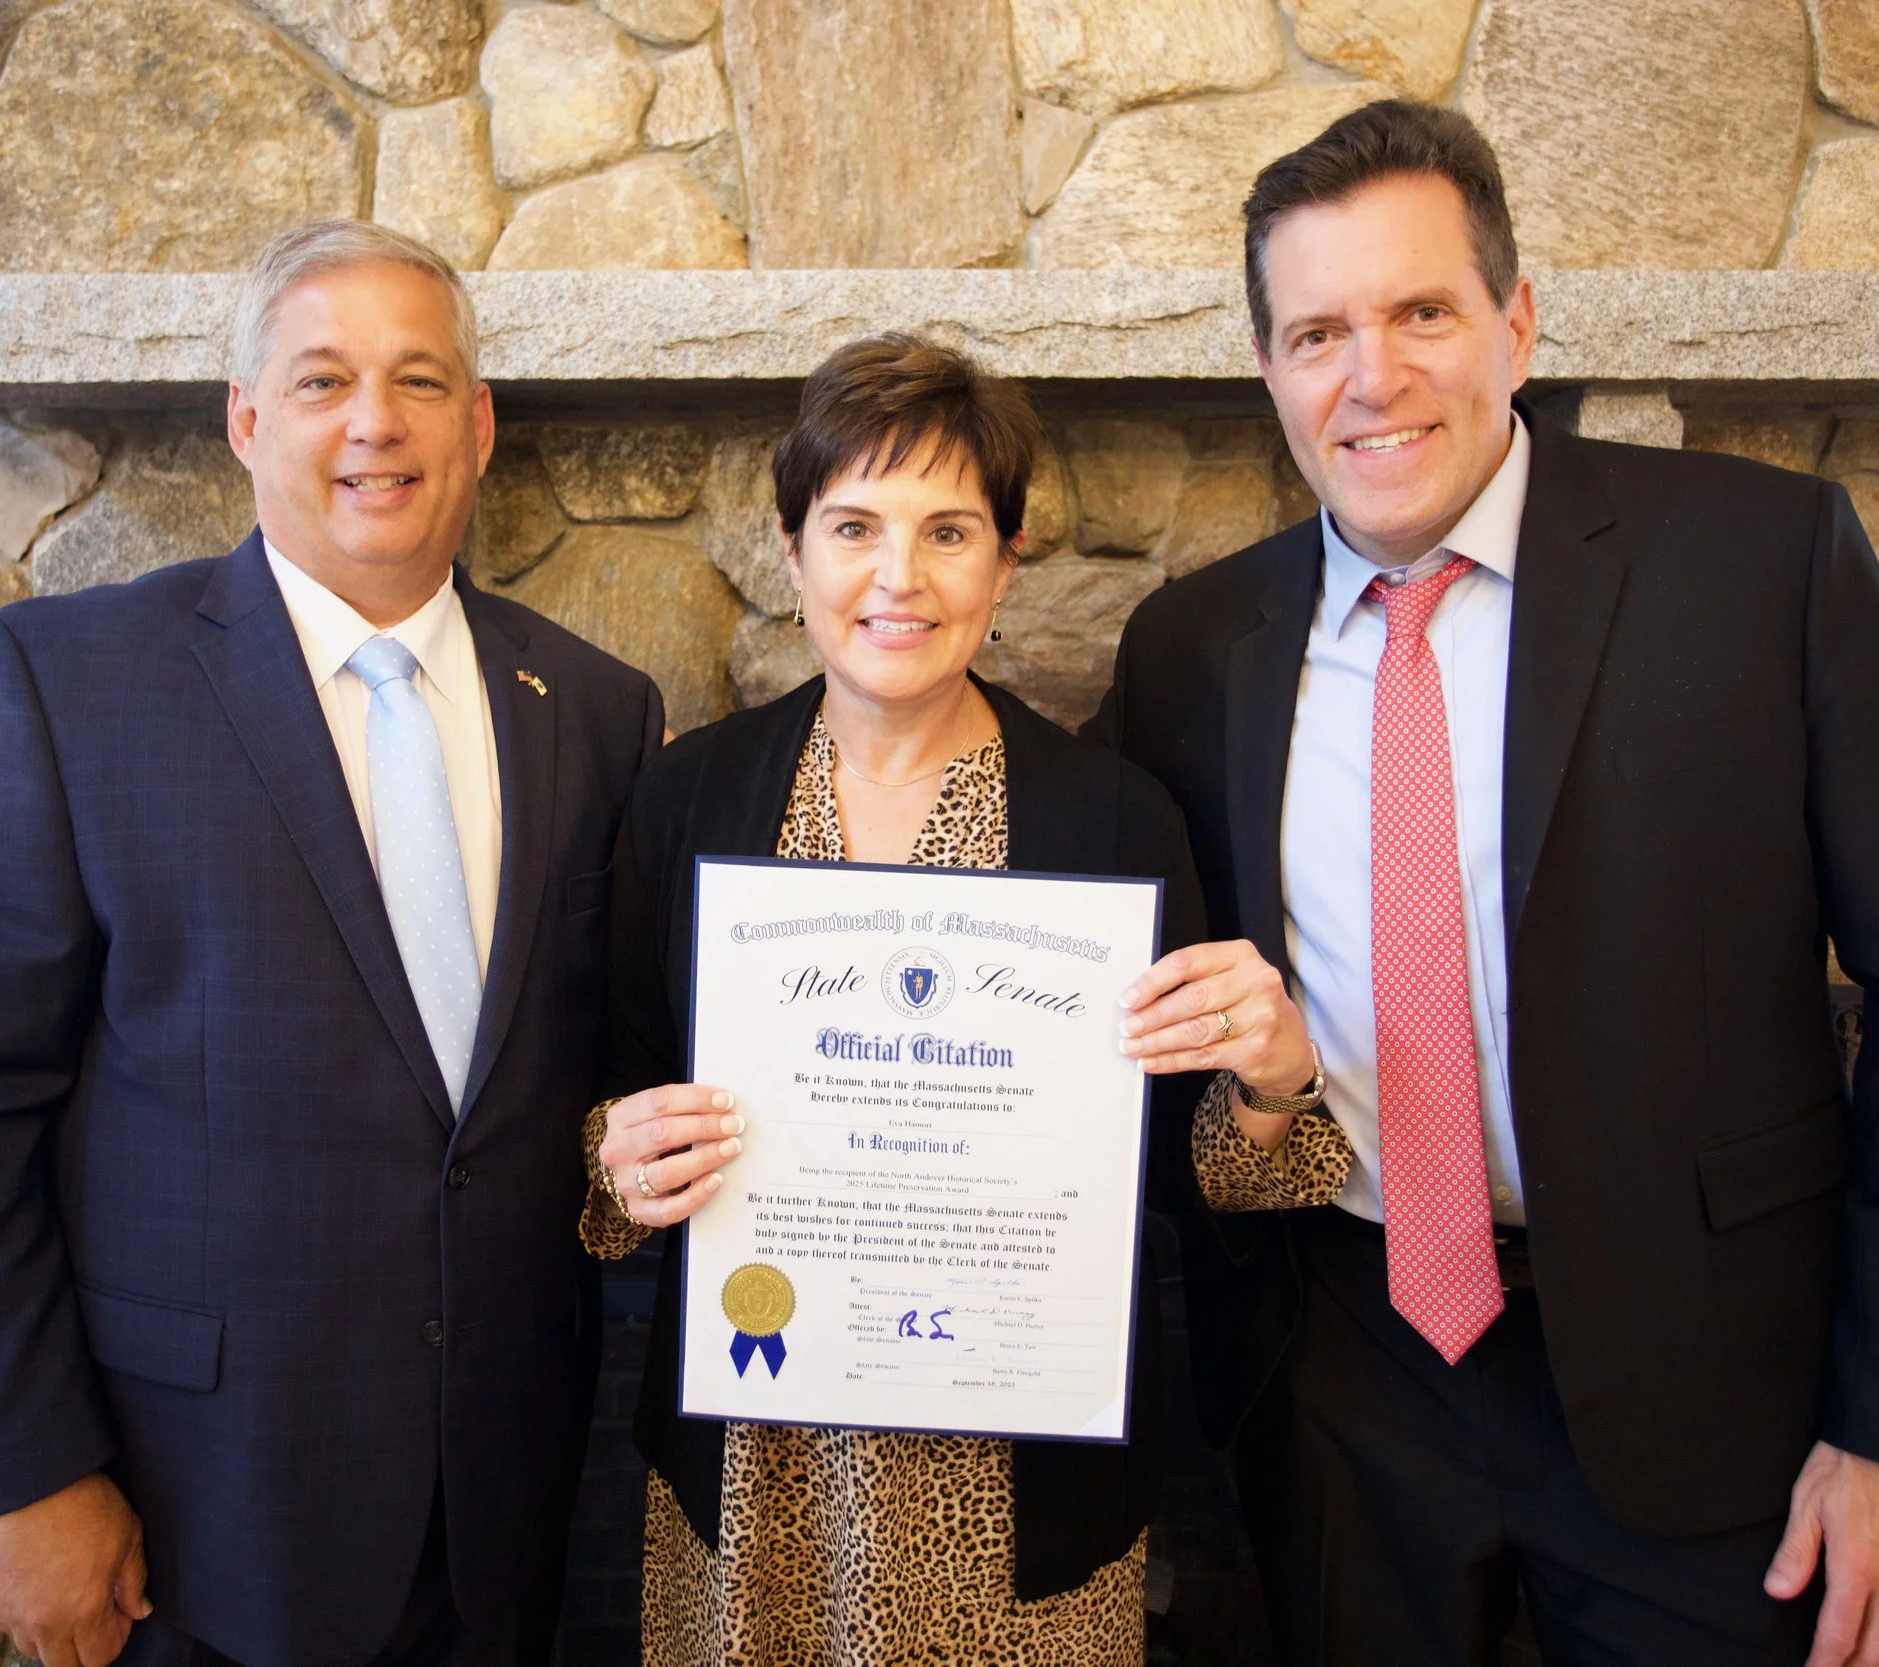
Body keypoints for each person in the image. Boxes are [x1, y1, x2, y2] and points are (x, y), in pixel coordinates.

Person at [1097, 101, 1879, 1667]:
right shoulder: (1190, 649)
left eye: (1420, 312)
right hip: (1348, 1387)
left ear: (1517, 323)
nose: (1372, 376)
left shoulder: (1764, 562)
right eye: (1318, 330)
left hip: (1728, 1392)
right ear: (1269, 366)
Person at [0, 220, 665, 1667]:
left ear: (477, 426)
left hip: (505, 1511)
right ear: (244, 418)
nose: (376, 421)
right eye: (321, 380)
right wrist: (31, 1474)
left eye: (421, 380)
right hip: (194, 1522)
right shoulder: (71, 682)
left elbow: (575, 1096)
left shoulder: (596, 709)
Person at [580, 334, 1354, 1665]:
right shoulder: (687, 798)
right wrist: (618, 1160)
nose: (899, 577)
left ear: (1004, 559)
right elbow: (602, 1112)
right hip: (758, 1478)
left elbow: (1190, 1174)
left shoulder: (1113, 819)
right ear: (789, 548)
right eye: (853, 526)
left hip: (1021, 1497)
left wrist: (1276, 1081)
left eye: (948, 529)